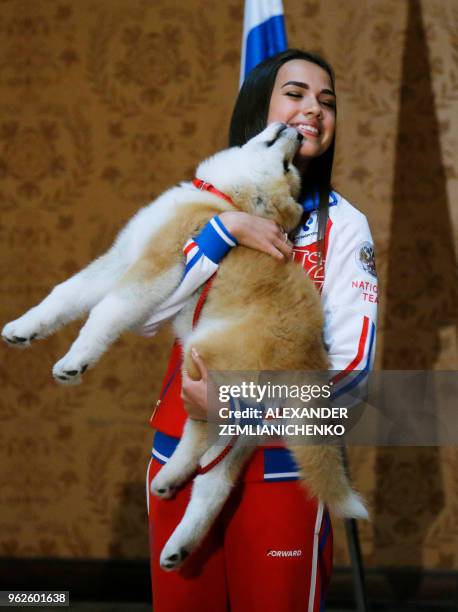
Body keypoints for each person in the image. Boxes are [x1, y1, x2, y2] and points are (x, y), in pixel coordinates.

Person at [146, 49, 377, 612]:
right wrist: (222, 233)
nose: (313, 111)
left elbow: (351, 373)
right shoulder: (203, 203)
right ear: (259, 107)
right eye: (294, 94)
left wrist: (237, 403)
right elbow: (146, 313)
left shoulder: (345, 226)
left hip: (284, 469)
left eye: (327, 102)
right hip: (178, 452)